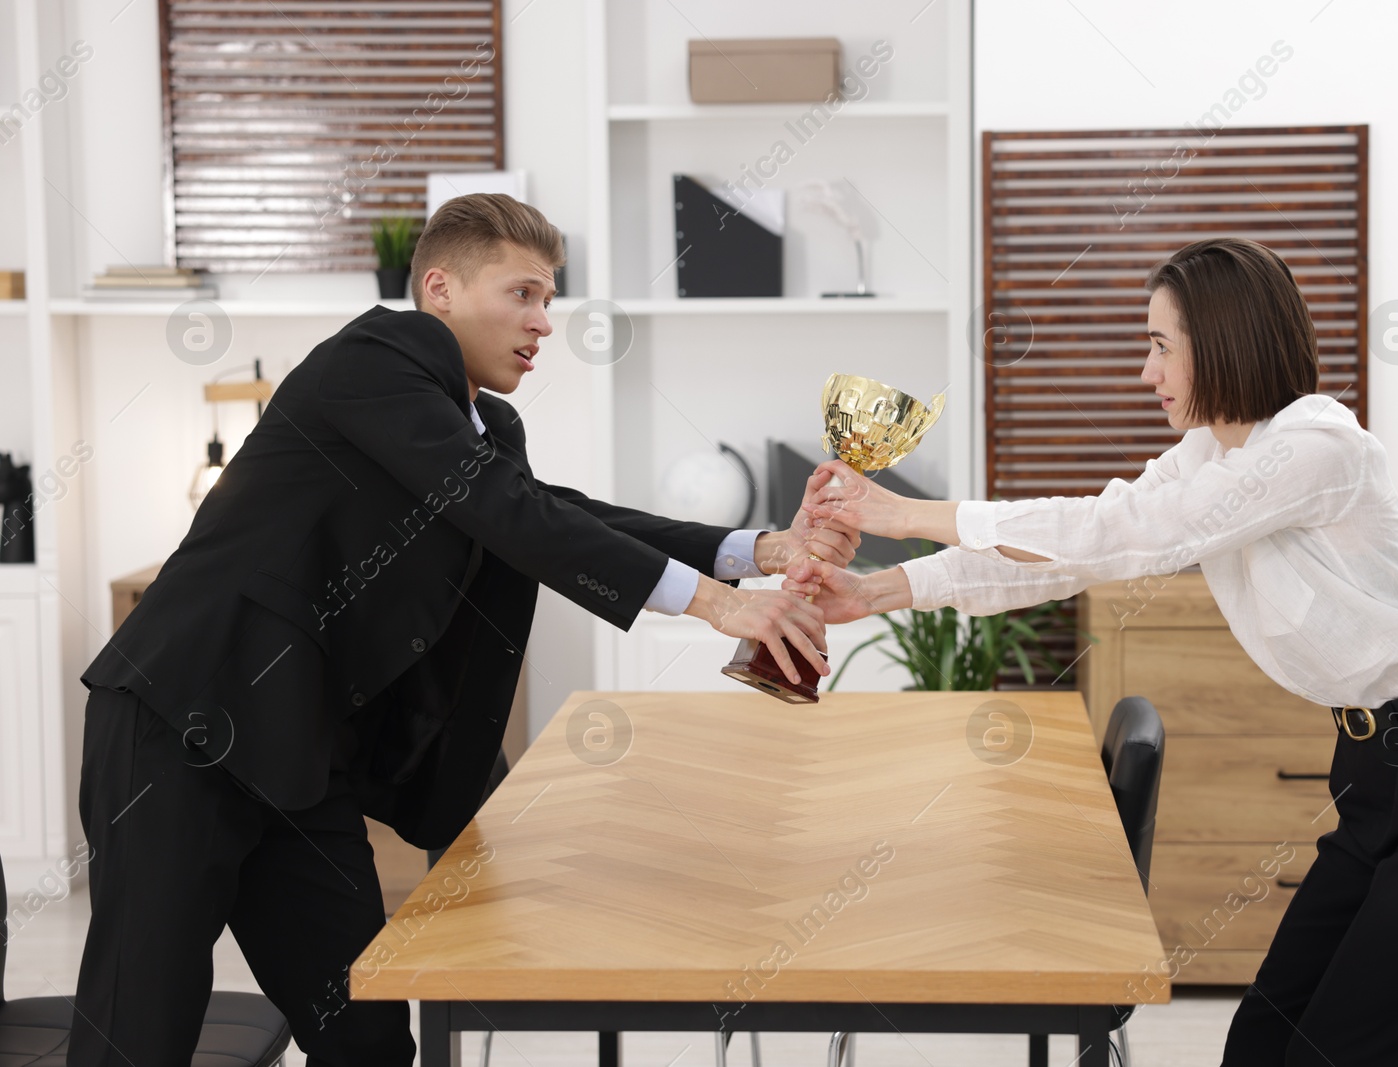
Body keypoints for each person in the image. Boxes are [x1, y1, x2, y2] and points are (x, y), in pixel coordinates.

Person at [69, 193, 856, 1066]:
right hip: (182, 725)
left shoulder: (486, 424)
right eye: (523, 294)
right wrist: (714, 603)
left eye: (549, 299)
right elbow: (500, 507)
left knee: (367, 1038)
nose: (544, 322)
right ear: (438, 287)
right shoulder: (371, 358)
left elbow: (549, 511)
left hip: (299, 760)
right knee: (136, 1035)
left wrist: (757, 550)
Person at [785, 237, 1398, 1066]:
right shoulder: (1211, 455)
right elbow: (1083, 548)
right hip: (1382, 774)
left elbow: (1132, 535)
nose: (1145, 372)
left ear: (1223, 339)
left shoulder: (1317, 447)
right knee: (1265, 1044)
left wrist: (906, 514)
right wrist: (875, 592)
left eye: (1160, 346)